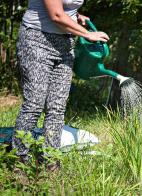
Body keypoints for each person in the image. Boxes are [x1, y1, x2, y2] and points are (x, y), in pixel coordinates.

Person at [12, 0, 109, 166]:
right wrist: (87, 34)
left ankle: (50, 159)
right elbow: (56, 15)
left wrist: (76, 15)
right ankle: (19, 159)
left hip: (65, 45)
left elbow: (64, 7)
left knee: (57, 107)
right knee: (35, 103)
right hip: (37, 39)